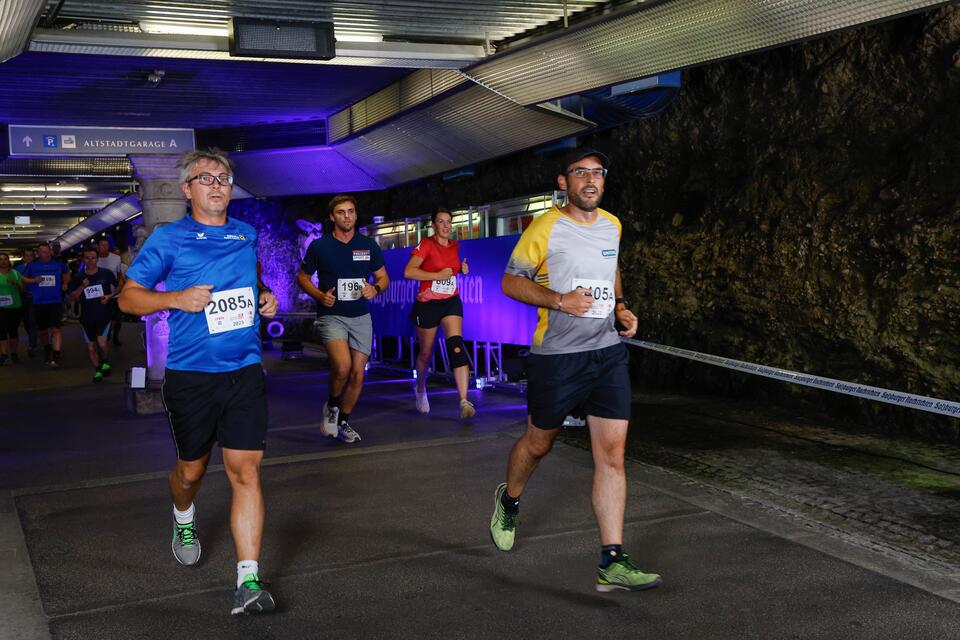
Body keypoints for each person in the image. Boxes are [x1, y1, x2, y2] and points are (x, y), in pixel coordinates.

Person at [488, 149, 662, 593]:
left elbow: (613, 266)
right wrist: (560, 300)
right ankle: (509, 499)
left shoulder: (613, 224)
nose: (590, 179)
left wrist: (621, 307)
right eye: (580, 172)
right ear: (564, 182)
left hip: (606, 354)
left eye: (597, 172)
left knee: (612, 455)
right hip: (557, 357)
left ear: (604, 181)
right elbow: (511, 281)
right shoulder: (547, 226)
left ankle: (612, 559)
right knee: (538, 443)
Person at [119, 148, 279, 615]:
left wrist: (265, 296)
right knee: (190, 472)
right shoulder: (169, 239)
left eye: (223, 177)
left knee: (246, 471)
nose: (216, 184)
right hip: (191, 377)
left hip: (245, 372)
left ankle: (248, 580)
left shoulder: (245, 233)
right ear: (187, 190)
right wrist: (175, 298)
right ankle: (183, 515)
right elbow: (129, 299)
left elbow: (252, 279)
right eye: (204, 178)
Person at [297, 194, 389, 444]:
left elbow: (383, 278)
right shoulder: (320, 246)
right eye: (341, 212)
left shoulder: (368, 245)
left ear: (356, 215)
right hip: (332, 314)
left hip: (361, 315)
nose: (346, 216)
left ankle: (344, 421)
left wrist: (375, 289)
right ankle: (333, 406)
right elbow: (302, 277)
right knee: (342, 366)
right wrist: (318, 295)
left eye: (350, 211)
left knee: (358, 374)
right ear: (332, 217)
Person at [403, 208, 476, 419]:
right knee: (426, 353)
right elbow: (408, 272)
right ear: (433, 225)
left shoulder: (455, 246)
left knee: (456, 345)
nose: (446, 226)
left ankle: (464, 401)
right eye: (441, 222)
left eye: (448, 222)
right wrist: (436, 275)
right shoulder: (426, 244)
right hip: (428, 305)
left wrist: (461, 270)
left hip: (450, 301)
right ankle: (420, 388)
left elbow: (449, 272)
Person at [67, 246, 119, 382]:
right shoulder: (78, 276)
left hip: (104, 314)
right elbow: (72, 296)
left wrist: (110, 296)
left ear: (97, 259)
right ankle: (97, 370)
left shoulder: (106, 273)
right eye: (87, 258)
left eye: (93, 258)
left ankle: (105, 361)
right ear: (83, 259)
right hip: (87, 317)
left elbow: (120, 285)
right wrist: (82, 286)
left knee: (102, 343)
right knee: (91, 347)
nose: (90, 261)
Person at [20, 243, 70, 368]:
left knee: (56, 329)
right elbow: (22, 279)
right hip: (39, 302)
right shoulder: (32, 265)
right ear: (38, 253)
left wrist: (65, 283)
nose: (46, 254)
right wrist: (33, 281)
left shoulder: (58, 263)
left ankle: (56, 356)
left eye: (48, 251)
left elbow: (66, 272)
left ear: (51, 251)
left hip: (55, 301)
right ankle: (47, 349)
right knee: (43, 331)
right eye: (43, 252)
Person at [96, 237, 126, 347]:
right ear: (98, 246)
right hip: (100, 294)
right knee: (104, 318)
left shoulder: (116, 258)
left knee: (118, 318)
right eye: (102, 245)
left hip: (115, 293)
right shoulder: (94, 258)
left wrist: (121, 286)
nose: (104, 247)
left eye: (106, 245)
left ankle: (115, 336)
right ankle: (104, 336)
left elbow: (119, 275)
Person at [0, 252, 24, 365]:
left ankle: (13, 353)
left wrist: (14, 284)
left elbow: (22, 289)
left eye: (5, 259)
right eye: (1, 259)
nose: (3, 261)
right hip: (1, 308)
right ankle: (4, 355)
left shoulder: (15, 273)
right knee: (2, 331)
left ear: (8, 261)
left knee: (13, 331)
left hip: (14, 307)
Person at [14, 248, 38, 357]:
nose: (29, 257)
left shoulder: (37, 267)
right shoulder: (18, 268)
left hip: (34, 297)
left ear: (34, 257)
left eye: (31, 255)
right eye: (26, 255)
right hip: (22, 297)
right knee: (26, 321)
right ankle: (32, 338)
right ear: (23, 257)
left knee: (32, 320)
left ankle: (32, 344)